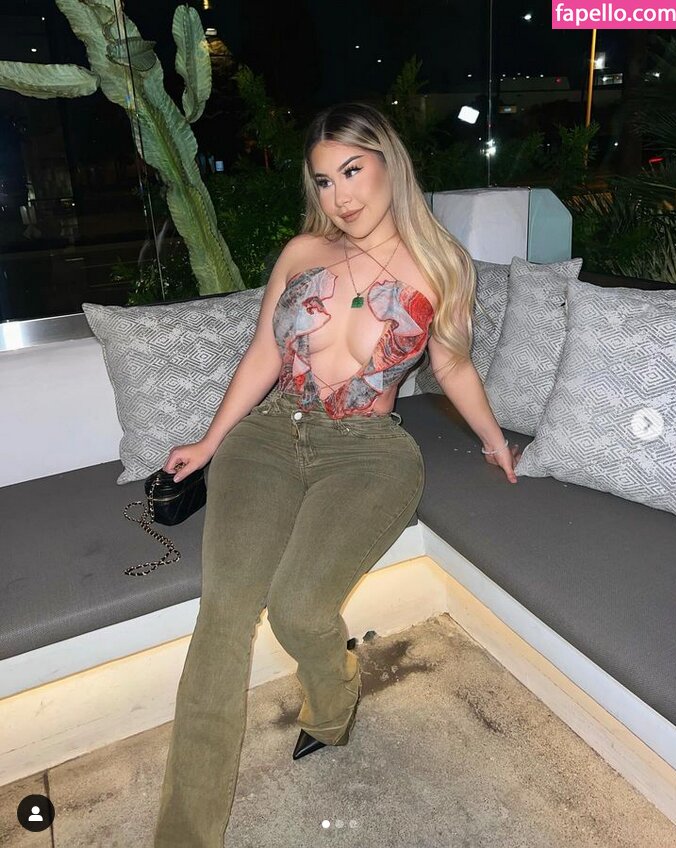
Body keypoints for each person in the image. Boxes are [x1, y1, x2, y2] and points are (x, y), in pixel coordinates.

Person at [152, 101, 521, 847]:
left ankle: (333, 694)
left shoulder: (441, 265)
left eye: (352, 171)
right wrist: (210, 441)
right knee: (223, 613)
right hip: (267, 436)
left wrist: (492, 440)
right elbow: (264, 353)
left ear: (389, 163)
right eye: (324, 181)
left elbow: (452, 365)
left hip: (368, 450)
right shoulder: (301, 253)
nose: (340, 195)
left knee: (297, 609)